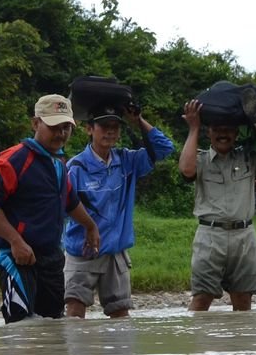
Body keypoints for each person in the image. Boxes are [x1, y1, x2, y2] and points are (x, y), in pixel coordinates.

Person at [0, 95, 100, 323]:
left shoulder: (58, 162)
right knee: (20, 324)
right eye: (54, 127)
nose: (61, 134)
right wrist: (15, 241)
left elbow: (69, 201)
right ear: (36, 123)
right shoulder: (13, 160)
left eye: (65, 128)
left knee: (52, 325)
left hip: (50, 256)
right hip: (16, 256)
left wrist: (90, 227)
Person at [63, 101, 175, 318]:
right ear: (89, 129)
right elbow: (64, 208)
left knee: (120, 315)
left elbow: (164, 148)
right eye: (104, 126)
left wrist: (138, 121)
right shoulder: (76, 167)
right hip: (82, 252)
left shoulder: (127, 161)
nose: (110, 131)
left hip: (115, 253)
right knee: (75, 311)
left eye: (115, 126)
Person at [178, 92, 256, 311]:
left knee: (243, 301)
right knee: (201, 299)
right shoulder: (200, 159)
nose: (223, 134)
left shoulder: (249, 158)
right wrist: (193, 128)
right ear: (208, 132)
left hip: (244, 237)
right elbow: (186, 169)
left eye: (228, 129)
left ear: (237, 133)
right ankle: (197, 344)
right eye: (217, 129)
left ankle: (242, 345)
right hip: (210, 237)